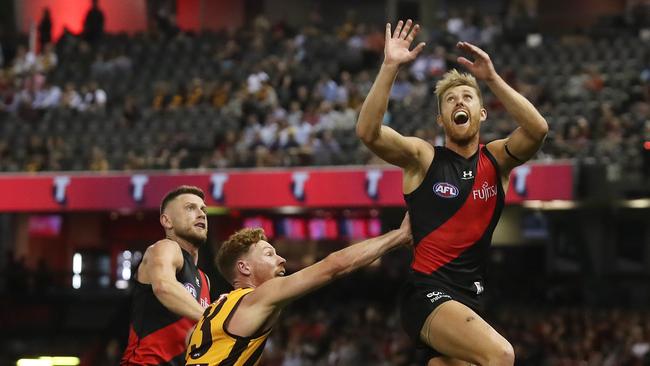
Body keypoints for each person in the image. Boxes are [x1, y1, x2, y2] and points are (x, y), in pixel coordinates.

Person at [356, 19, 548, 365]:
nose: (459, 102)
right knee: (501, 355)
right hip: (426, 294)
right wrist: (389, 67)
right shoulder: (423, 159)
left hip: (469, 300)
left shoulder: (497, 159)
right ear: (442, 120)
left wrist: (491, 79)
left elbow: (537, 129)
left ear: (482, 112)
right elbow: (369, 132)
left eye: (468, 97)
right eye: (450, 100)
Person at [185, 214, 413, 365]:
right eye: (269, 254)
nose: (282, 259)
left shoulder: (212, 312)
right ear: (244, 268)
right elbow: (333, 266)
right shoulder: (259, 296)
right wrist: (399, 236)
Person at [121, 186, 212, 365]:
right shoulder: (165, 248)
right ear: (167, 221)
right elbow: (164, 286)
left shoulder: (204, 279)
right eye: (190, 208)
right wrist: (214, 319)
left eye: (203, 210)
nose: (201, 214)